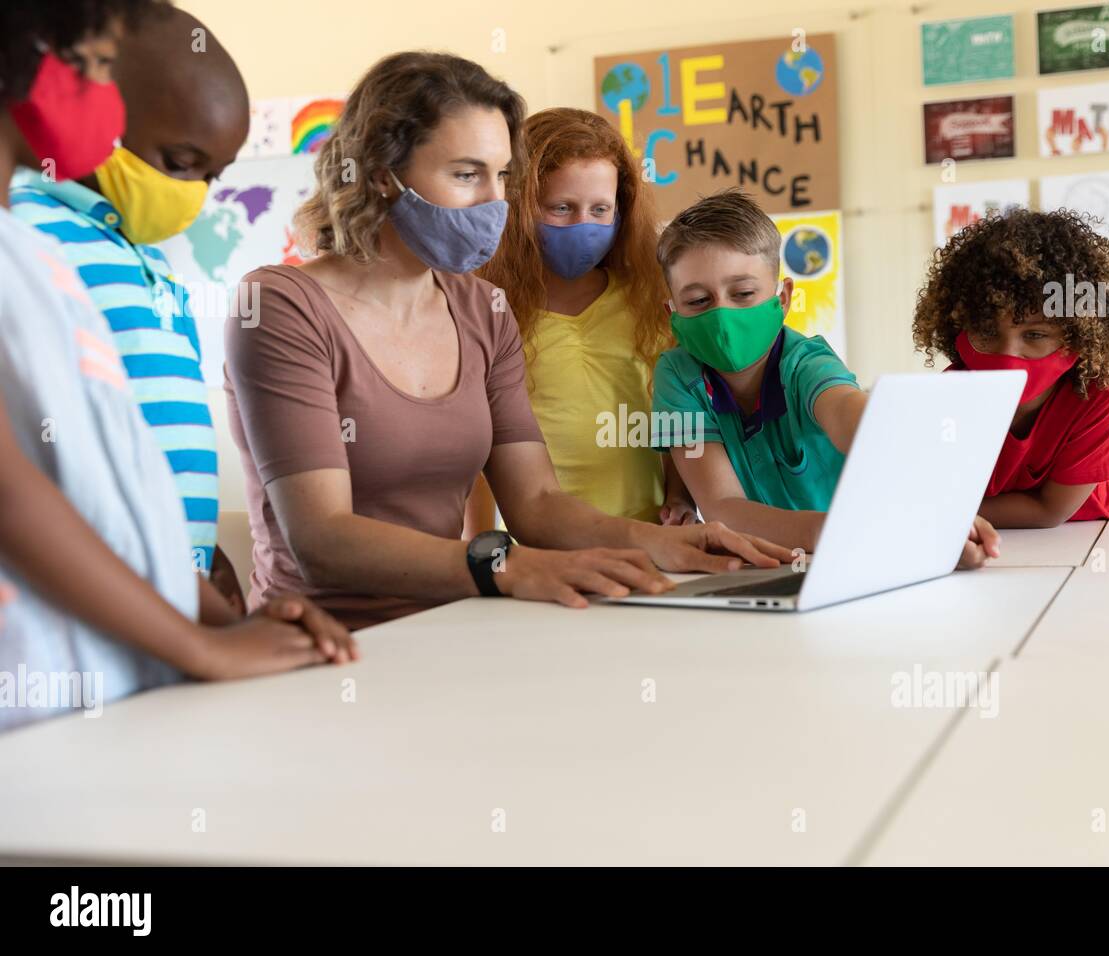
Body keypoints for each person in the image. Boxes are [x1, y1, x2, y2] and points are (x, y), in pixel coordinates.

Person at [224, 52, 790, 631]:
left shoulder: (482, 309)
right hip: (317, 641)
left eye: (503, 177)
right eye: (467, 175)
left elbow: (538, 504)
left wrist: (668, 544)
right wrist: (504, 565)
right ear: (379, 174)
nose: (494, 202)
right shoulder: (279, 305)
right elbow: (322, 538)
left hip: (453, 624)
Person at [0, 0, 353, 732]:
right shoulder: (40, 242)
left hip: (119, 688)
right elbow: (13, 493)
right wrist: (201, 644)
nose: (101, 97)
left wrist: (207, 611)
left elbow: (102, 487)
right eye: (93, 67)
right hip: (38, 710)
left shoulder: (33, 262)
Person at [10, 6, 246, 608]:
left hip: (174, 587)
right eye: (181, 163)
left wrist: (205, 555)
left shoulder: (154, 265)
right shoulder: (29, 235)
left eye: (211, 178)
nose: (191, 195)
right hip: (87, 593)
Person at [652, 190, 999, 566]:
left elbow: (854, 418)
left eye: (744, 293)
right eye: (699, 301)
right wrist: (846, 531)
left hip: (866, 557)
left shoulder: (806, 363)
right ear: (672, 312)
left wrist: (935, 509)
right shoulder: (676, 374)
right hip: (789, 563)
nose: (722, 316)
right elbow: (723, 507)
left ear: (782, 298)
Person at [476, 107, 695, 527]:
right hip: (542, 550)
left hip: (651, 537)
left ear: (621, 209)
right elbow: (476, 448)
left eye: (600, 209)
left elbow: (679, 415)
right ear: (519, 206)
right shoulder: (489, 311)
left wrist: (681, 499)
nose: (583, 225)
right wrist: (482, 548)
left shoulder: (650, 301)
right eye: (561, 207)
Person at [913, 208, 1109, 526]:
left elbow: (1051, 511)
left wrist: (939, 510)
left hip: (1088, 537)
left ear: (1078, 335)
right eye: (988, 332)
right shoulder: (950, 395)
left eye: (1034, 335)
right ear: (959, 327)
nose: (1008, 356)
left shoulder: (1104, 392)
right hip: (984, 544)